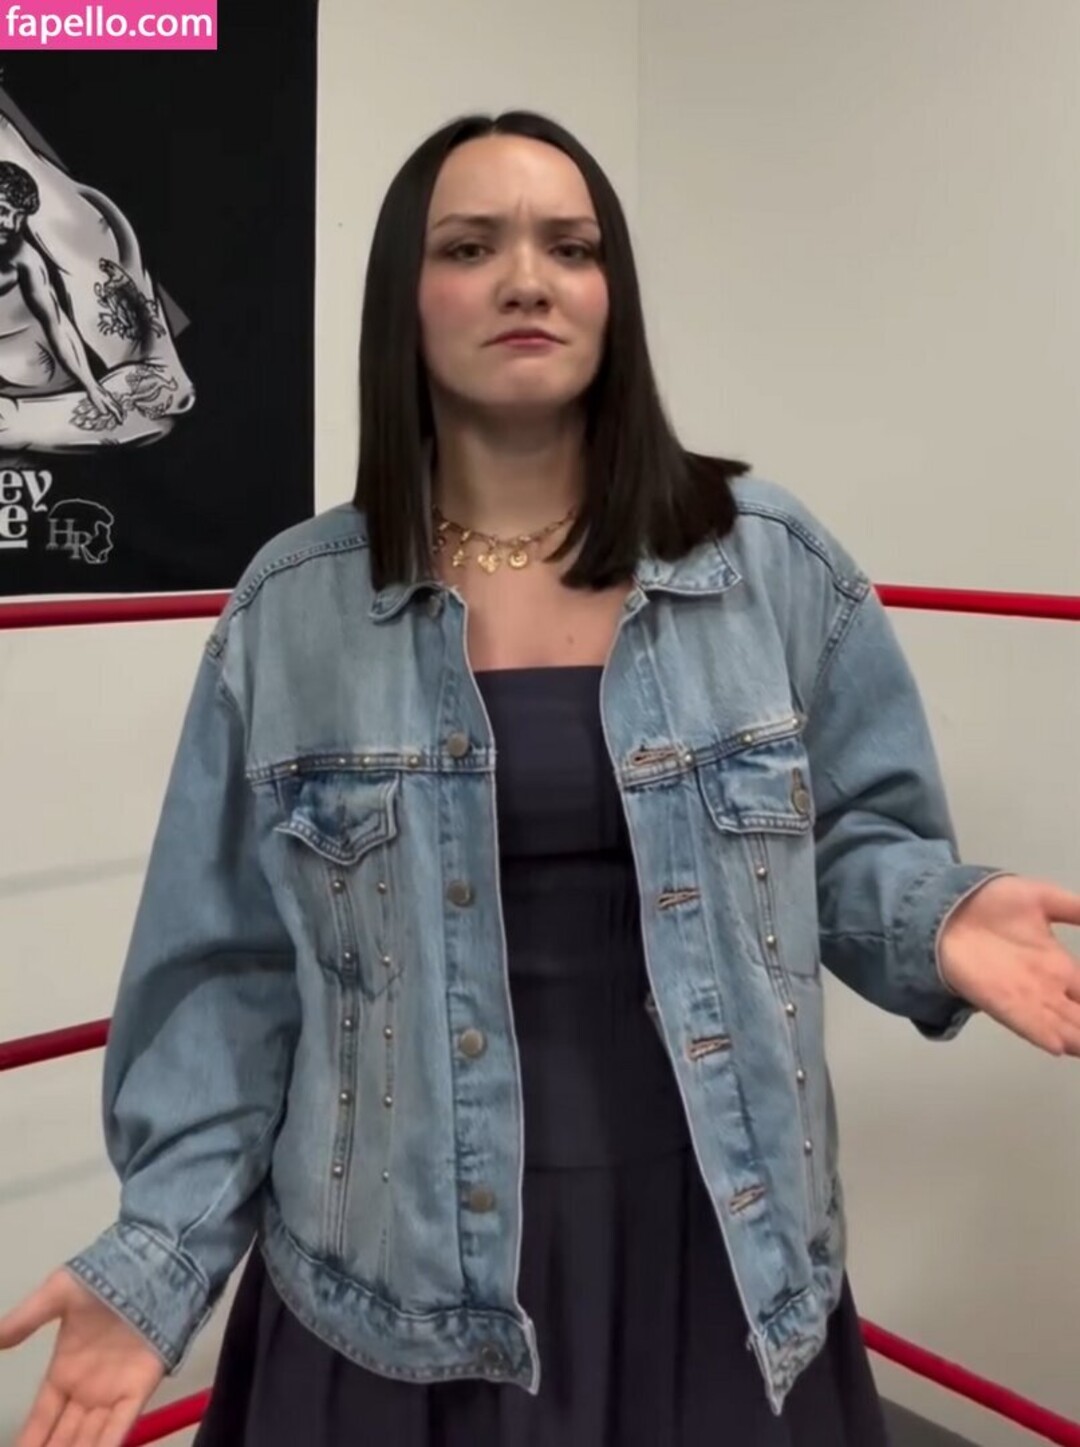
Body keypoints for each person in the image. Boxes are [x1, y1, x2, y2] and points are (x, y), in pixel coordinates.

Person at [1, 109, 1078, 1447]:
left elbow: (847, 839)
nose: (527, 279)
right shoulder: (294, 609)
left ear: (612, 295)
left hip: (716, 1254)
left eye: (571, 247)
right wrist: (161, 1255)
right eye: (471, 247)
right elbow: (228, 974)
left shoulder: (770, 561)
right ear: (404, 299)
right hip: (390, 1292)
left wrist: (934, 913)